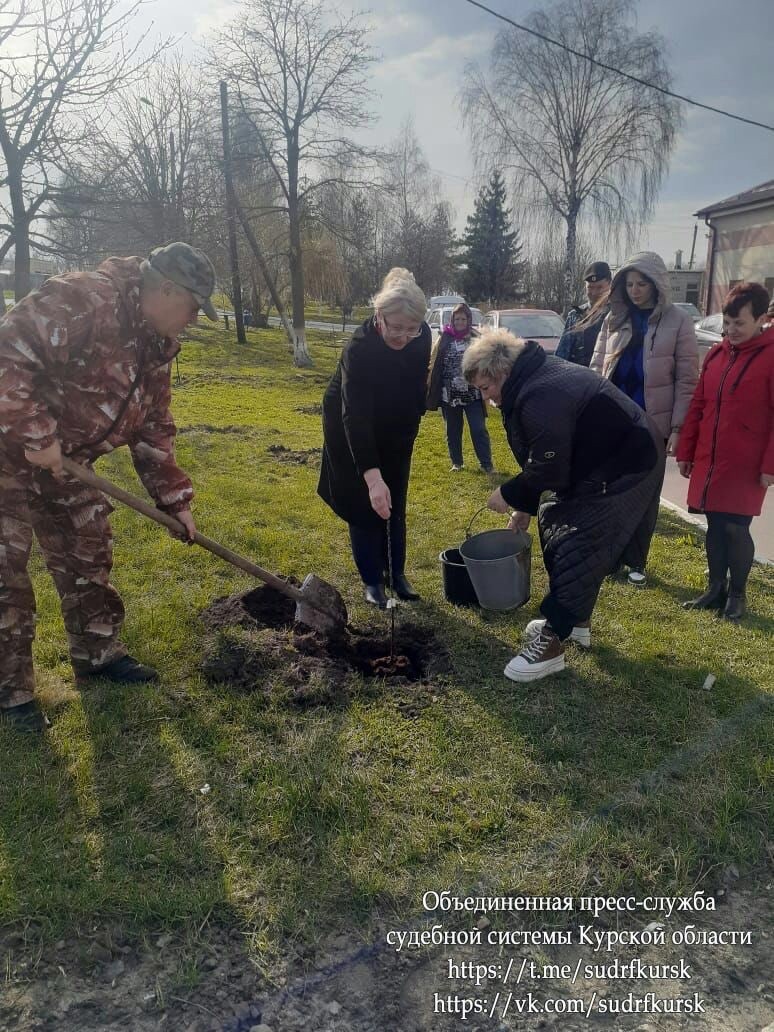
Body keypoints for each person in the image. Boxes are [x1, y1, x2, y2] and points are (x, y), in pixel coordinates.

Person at [0, 242, 218, 732]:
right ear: (165, 290)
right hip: (8, 454)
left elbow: (154, 426)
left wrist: (175, 500)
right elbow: (6, 357)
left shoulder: (156, 346)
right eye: (192, 308)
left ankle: (97, 653)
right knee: (5, 575)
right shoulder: (84, 300)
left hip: (68, 463)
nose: (194, 321)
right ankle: (11, 692)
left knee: (88, 551)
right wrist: (37, 434)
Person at [462, 329, 665, 683]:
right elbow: (544, 454)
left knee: (579, 539)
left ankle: (553, 641)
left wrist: (509, 493)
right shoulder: (532, 379)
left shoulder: (541, 392)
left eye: (486, 388)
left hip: (627, 462)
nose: (488, 398)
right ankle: (577, 624)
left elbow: (550, 465)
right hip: (598, 460)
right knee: (553, 518)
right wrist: (524, 505)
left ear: (502, 373)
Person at [318, 268, 431, 608]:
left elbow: (414, 395)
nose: (402, 336)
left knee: (394, 498)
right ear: (379, 316)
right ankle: (372, 580)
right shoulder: (360, 348)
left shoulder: (421, 336)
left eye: (410, 329)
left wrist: (402, 447)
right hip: (349, 423)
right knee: (366, 501)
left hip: (395, 420)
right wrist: (371, 474)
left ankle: (396, 573)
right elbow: (356, 414)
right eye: (395, 327)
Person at [590, 251, 699, 586]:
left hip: (654, 423)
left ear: (656, 284)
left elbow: (686, 380)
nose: (635, 290)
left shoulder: (678, 321)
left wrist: (678, 428)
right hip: (615, 419)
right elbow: (597, 366)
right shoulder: (615, 317)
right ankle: (611, 555)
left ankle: (636, 559)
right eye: (630, 283)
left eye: (642, 284)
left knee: (645, 493)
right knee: (610, 488)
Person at [676, 282, 774, 621]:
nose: (731, 331)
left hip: (747, 462)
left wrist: (770, 465)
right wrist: (686, 452)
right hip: (710, 457)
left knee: (736, 527)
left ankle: (737, 594)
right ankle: (715, 589)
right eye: (727, 324)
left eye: (740, 324)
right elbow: (699, 406)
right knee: (715, 525)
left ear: (761, 319)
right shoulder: (717, 354)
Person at [426, 302, 493, 473]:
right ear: (452, 320)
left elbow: (487, 360)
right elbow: (434, 361)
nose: (460, 322)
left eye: (463, 319)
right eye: (457, 319)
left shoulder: (476, 337)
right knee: (453, 431)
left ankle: (486, 464)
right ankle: (457, 462)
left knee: (478, 429)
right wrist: (430, 381)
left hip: (472, 394)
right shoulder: (444, 337)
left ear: (468, 319)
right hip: (450, 395)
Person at [555, 260, 612, 366]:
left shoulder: (616, 314)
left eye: (600, 287)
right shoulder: (575, 315)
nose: (594, 293)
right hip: (577, 378)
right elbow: (562, 355)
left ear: (610, 285)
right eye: (590, 287)